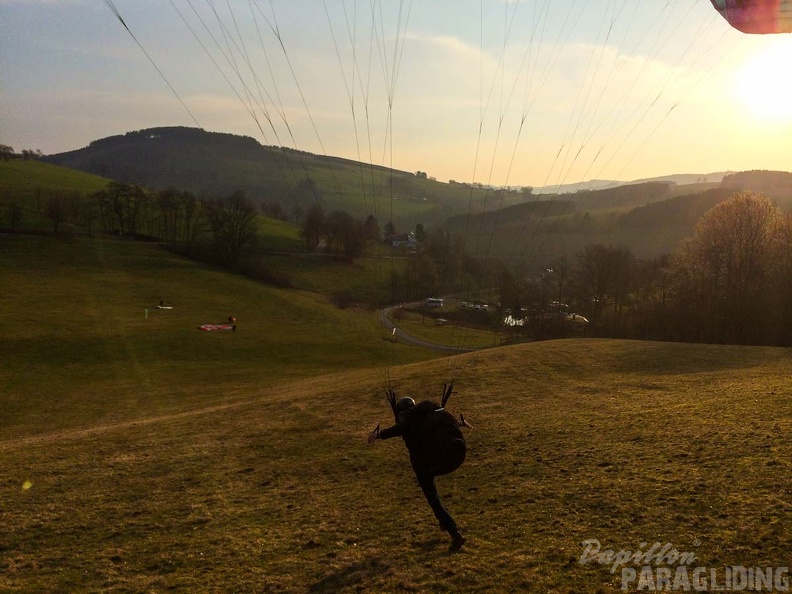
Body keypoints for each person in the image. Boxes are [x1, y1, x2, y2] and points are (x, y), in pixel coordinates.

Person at [368, 396, 466, 551]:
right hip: (438, 459)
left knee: (433, 500)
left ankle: (454, 533)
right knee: (435, 501)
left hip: (424, 466)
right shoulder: (425, 418)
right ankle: (444, 522)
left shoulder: (409, 424)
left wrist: (378, 435)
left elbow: (399, 429)